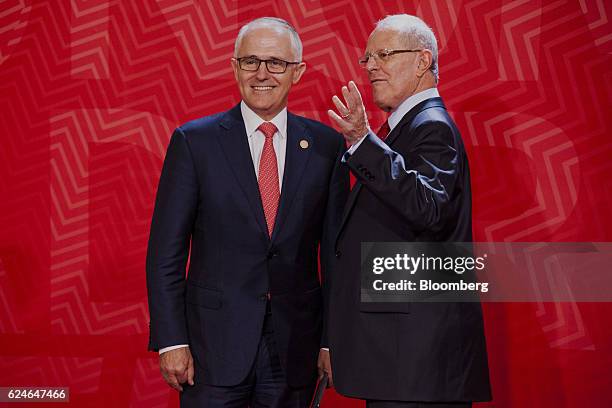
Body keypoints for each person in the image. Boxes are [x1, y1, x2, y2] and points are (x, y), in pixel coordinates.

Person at [146, 17, 349, 407]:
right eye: (250, 61)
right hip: (211, 348)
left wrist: (332, 340)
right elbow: (165, 253)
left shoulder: (326, 147)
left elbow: (335, 255)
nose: (262, 74)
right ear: (234, 67)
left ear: (298, 72)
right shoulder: (195, 142)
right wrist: (172, 339)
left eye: (275, 63)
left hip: (295, 349)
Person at [323, 14, 492, 407]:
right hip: (400, 364)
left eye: (384, 54)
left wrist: (362, 142)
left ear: (422, 61)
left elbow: (428, 207)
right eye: (367, 59)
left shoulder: (431, 126)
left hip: (416, 367)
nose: (371, 68)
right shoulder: (404, 129)